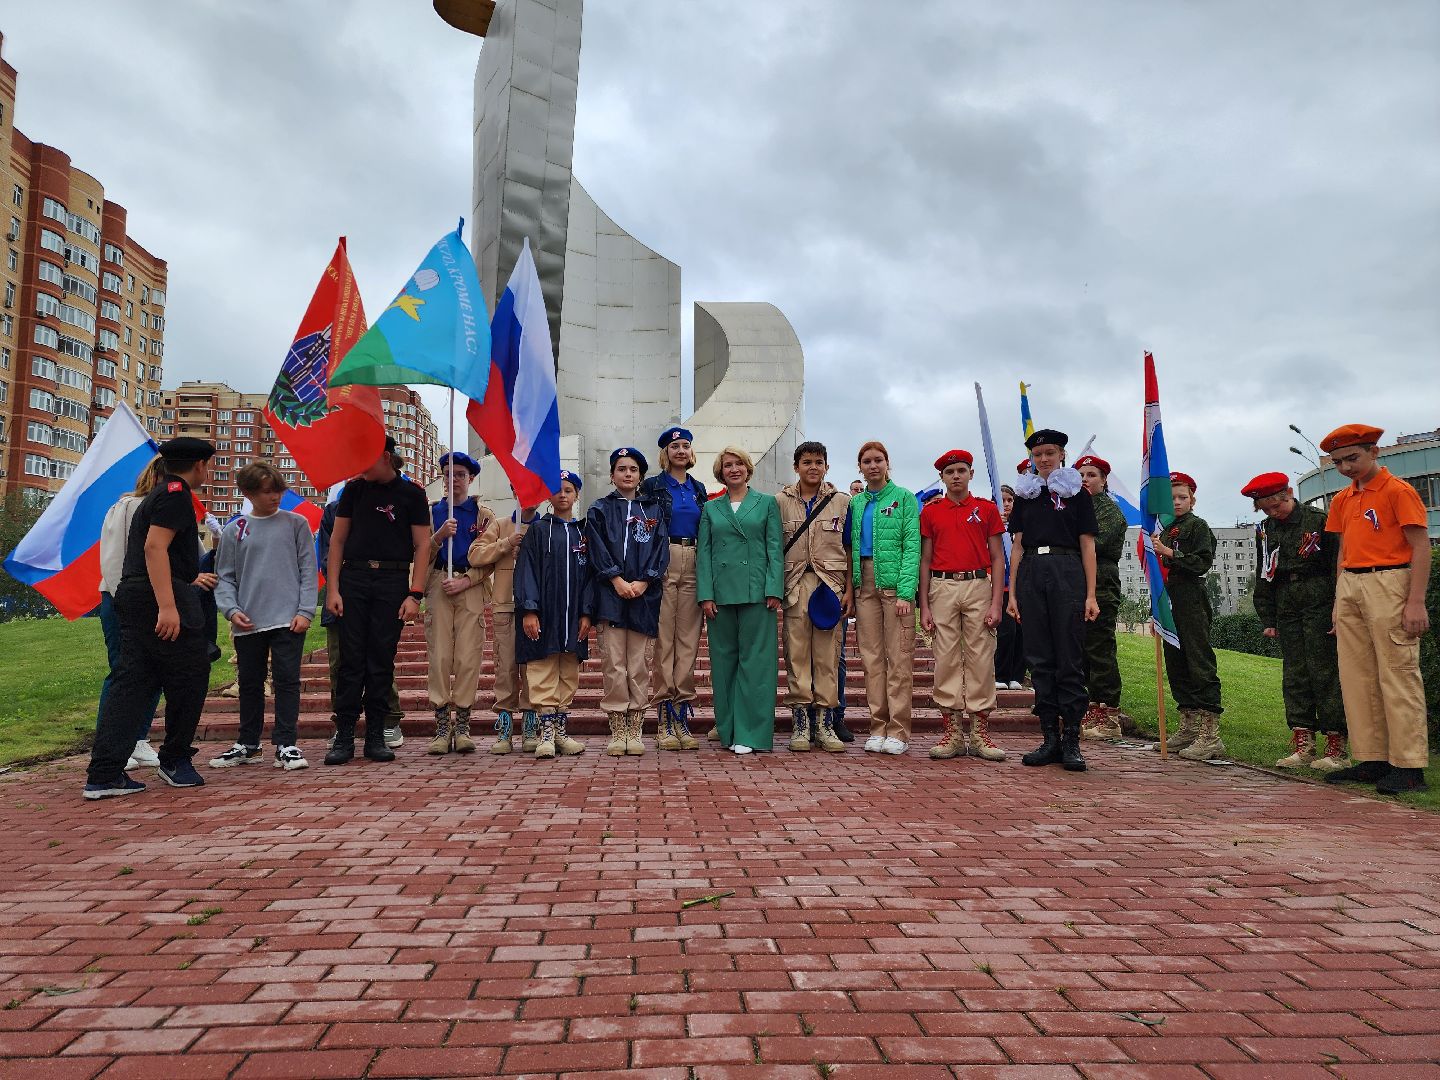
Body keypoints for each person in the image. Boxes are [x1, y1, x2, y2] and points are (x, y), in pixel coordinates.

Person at [84, 437, 217, 799]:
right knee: (191, 674)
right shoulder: (176, 494)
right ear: (200, 465)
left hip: (134, 595)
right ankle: (175, 760)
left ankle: (104, 773)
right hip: (159, 594)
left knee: (134, 682)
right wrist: (169, 605)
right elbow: (154, 547)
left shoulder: (158, 494)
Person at [1320, 424, 1431, 794]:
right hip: (1351, 581)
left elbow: (1420, 546)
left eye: (1353, 458)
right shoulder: (1341, 499)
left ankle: (1410, 765)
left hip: (1390, 581)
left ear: (1374, 453)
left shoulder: (1398, 491)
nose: (1346, 467)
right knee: (1357, 675)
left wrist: (1415, 601)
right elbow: (1343, 549)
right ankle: (1372, 759)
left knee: (1397, 671)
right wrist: (1339, 599)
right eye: (1338, 462)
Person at [323, 436, 430, 765]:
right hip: (353, 579)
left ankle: (376, 734)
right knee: (350, 660)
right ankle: (344, 734)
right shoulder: (354, 491)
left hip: (391, 581)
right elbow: (337, 542)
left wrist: (415, 594)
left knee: (380, 660)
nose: (358, 467)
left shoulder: (412, 494)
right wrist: (333, 589)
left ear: (385, 456)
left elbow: (423, 546)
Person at [210, 462, 318, 772]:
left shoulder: (295, 524)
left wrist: (305, 611)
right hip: (248, 621)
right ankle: (248, 742)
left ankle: (286, 743)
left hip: (289, 619)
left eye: (278, 490)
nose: (275, 497)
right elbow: (225, 576)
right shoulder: (235, 529)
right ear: (248, 493)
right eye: (267, 492)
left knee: (287, 681)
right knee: (250, 683)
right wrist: (231, 610)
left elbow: (309, 571)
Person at [1007, 429, 1099, 773]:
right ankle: (1049, 737)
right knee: (1039, 658)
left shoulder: (1077, 493)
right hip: (1032, 571)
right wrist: (1013, 593)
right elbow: (1017, 546)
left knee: (1069, 657)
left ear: (1062, 454)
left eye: (1050, 453)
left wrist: (1091, 594)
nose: (1043, 459)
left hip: (1067, 571)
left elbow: (1088, 544)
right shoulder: (1026, 496)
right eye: (1038, 454)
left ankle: (1072, 739)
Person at [1242, 472, 1347, 771]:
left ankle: (1336, 746)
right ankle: (1303, 742)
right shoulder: (1265, 529)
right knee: (1295, 674)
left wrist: (1338, 607)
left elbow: (1336, 566)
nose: (1274, 512)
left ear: (1289, 493)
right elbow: (1265, 572)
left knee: (1324, 671)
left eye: (1278, 505)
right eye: (1267, 508)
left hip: (1320, 600)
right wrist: (1268, 616)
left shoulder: (1319, 520)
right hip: (1287, 603)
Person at [919, 449, 1006, 762]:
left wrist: (997, 602)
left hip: (978, 584)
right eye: (949, 472)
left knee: (981, 657)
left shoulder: (986, 509)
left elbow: (998, 557)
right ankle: (952, 731)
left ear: (970, 474)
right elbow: (925, 560)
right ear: (942, 477)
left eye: (961, 470)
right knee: (946, 657)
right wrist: (924, 606)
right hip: (942, 586)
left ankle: (980, 732)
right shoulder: (931, 512)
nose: (956, 476)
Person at [697, 446, 784, 753]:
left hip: (756, 592)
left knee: (757, 665)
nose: (733, 469)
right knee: (723, 665)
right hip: (720, 595)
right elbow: (704, 554)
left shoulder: (767, 503)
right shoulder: (711, 508)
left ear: (748, 468)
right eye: (727, 465)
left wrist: (774, 588)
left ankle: (751, 735)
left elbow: (775, 547)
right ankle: (729, 729)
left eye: (739, 464)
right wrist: (705, 594)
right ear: (721, 472)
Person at [586, 447, 669, 756]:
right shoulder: (599, 509)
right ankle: (617, 728)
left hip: (644, 597)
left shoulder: (654, 510)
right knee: (614, 664)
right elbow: (596, 548)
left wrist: (644, 581)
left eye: (633, 469)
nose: (628, 474)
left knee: (638, 664)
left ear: (641, 476)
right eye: (621, 469)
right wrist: (616, 580)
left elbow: (661, 550)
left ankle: (635, 729)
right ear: (612, 475)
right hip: (610, 596)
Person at [847, 440, 921, 755]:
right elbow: (847, 547)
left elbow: (911, 545)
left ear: (887, 463)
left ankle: (899, 730)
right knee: (872, 660)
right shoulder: (856, 503)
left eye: (878, 460)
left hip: (894, 586)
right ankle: (878, 726)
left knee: (900, 659)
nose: (873, 466)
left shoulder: (903, 498)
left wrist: (907, 591)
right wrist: (851, 588)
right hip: (864, 583)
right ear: (860, 467)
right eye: (867, 461)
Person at [776, 441, 851, 752]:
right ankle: (801, 722)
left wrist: (850, 590)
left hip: (829, 588)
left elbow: (850, 548)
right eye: (806, 462)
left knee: (827, 658)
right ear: (796, 467)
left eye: (819, 462)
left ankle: (824, 721)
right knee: (796, 656)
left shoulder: (842, 502)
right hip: (794, 586)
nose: (813, 467)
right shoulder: (780, 502)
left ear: (827, 466)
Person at [317, 489, 406, 750]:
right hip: (342, 596)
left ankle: (387, 720)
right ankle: (343, 725)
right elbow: (326, 554)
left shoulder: (389, 505)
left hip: (379, 597)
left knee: (379, 660)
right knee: (341, 663)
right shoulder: (334, 510)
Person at [97, 458, 168, 772]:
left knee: (154, 671)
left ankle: (138, 738)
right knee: (122, 671)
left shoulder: (169, 511)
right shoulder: (126, 507)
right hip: (121, 600)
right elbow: (113, 557)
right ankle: (111, 743)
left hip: (158, 603)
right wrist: (121, 598)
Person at [639, 427, 707, 750]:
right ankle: (665, 715)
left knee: (689, 640)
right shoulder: (652, 486)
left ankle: (682, 712)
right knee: (665, 640)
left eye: (685, 446)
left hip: (694, 559)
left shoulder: (699, 489)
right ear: (665, 452)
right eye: (674, 446)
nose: (681, 451)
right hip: (664, 558)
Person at [515, 470, 591, 759]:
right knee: (542, 668)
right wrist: (529, 610)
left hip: (573, 615)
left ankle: (561, 732)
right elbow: (526, 572)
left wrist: (587, 613)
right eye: (557, 490)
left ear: (576, 495)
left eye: (569, 490)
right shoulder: (537, 530)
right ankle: (545, 734)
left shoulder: (583, 533)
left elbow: (590, 577)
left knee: (568, 670)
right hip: (544, 612)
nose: (563, 495)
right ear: (548, 495)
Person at [1151, 472, 1225, 761]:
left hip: (1191, 596)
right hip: (1169, 598)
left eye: (1183, 497)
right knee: (1176, 662)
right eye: (1171, 498)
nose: (1177, 502)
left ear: (1193, 499)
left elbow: (1202, 562)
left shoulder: (1197, 526)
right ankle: (1189, 726)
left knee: (1198, 661)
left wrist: (1168, 552)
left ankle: (1210, 734)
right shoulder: (1165, 528)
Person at [424, 452, 489, 755]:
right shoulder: (432, 512)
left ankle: (462, 724)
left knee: (467, 655)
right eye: (448, 474)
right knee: (439, 655)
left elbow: (490, 557)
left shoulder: (481, 515)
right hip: (439, 580)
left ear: (471, 478)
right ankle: (441, 724)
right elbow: (420, 550)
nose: (454, 480)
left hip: (469, 582)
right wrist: (439, 535)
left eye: (460, 474)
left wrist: (468, 580)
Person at [468, 491, 542, 754]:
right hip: (505, 607)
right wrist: (506, 544)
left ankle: (531, 723)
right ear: (513, 489)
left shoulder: (547, 527)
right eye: (523, 487)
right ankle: (505, 725)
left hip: (537, 609)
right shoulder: (500, 525)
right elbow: (474, 555)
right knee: (505, 667)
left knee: (533, 668)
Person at [1074, 454, 1130, 740]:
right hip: (1076, 582)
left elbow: (1092, 544)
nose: (1085, 480)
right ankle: (1090, 707)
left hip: (1101, 582)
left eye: (1091, 475)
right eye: (1081, 475)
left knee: (1099, 648)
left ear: (1104, 480)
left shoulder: (1109, 511)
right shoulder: (1075, 507)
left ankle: (1108, 714)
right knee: (1082, 649)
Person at [993, 484, 1027, 692]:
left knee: (1022, 632)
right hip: (1003, 587)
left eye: (1009, 500)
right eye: (1002, 500)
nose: (1006, 504)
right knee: (1006, 631)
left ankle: (1017, 675)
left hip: (1023, 585)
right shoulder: (994, 525)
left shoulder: (1021, 524)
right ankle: (1001, 673)